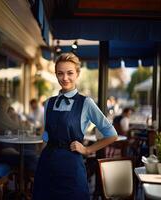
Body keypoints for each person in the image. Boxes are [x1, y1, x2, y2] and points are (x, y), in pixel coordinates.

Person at [33, 53, 118, 200]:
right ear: (56, 75)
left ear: (77, 73)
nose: (65, 78)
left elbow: (111, 134)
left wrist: (87, 149)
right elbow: (46, 136)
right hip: (47, 164)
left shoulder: (86, 103)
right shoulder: (49, 103)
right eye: (60, 73)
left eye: (70, 73)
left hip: (71, 166)